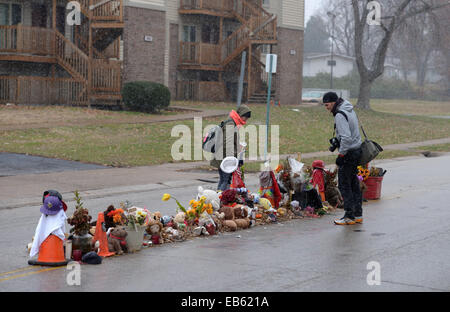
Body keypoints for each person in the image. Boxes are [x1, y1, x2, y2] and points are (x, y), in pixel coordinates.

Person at [323, 92, 363, 225]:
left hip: (348, 153)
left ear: (333, 102)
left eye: (327, 104)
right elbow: (350, 133)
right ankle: (358, 214)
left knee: (345, 185)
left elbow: (346, 137)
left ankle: (349, 216)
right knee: (354, 183)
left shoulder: (340, 114)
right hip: (356, 150)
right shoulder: (349, 109)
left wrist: (341, 154)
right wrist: (337, 140)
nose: (326, 107)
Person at [210, 105, 251, 191]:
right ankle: (221, 199)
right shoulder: (231, 124)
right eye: (245, 117)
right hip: (224, 158)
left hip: (222, 156)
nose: (246, 120)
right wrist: (231, 160)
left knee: (223, 180)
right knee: (226, 181)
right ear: (241, 115)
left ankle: (218, 198)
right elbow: (228, 143)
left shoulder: (232, 122)